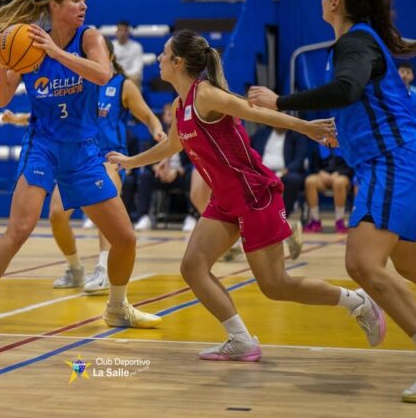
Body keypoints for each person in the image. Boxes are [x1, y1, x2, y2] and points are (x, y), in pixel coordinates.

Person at [248, 0, 416, 401]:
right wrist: (342, 132)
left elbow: (346, 89)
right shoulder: (362, 42)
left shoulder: (354, 42)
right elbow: (369, 102)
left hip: (392, 163)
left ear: (336, 3)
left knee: (362, 264)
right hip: (401, 160)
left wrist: (280, 101)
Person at [108, 30, 384, 365]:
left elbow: (256, 113)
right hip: (225, 201)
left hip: (254, 195)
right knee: (193, 267)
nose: (159, 58)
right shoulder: (181, 105)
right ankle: (240, 340)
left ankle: (358, 302)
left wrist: (307, 128)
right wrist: (130, 162)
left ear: (178, 62)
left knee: (276, 286)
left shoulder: (206, 94)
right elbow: (170, 145)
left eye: (165, 53)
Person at [0, 0, 161, 337]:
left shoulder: (89, 38)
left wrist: (56, 52)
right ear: (54, 5)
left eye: (85, 0)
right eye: (76, 0)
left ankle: (117, 308)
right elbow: (0, 99)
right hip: (43, 146)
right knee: (20, 229)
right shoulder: (28, 41)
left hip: (83, 150)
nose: (84, 6)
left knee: (125, 238)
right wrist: (4, 62)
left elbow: (103, 74)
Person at [47, 39, 165, 293]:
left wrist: (157, 130)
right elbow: (58, 116)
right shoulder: (77, 84)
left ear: (109, 57)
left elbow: (147, 116)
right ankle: (75, 269)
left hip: (110, 157)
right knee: (56, 215)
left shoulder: (123, 85)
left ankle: (102, 268)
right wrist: (21, 119)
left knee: (105, 210)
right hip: (78, 157)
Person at [302, 145, 354, 234]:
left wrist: (339, 173)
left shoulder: (346, 146)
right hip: (322, 177)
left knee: (339, 183)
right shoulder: (318, 146)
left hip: (342, 176)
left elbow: (351, 166)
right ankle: (315, 220)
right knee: (310, 181)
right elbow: (313, 165)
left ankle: (340, 221)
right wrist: (320, 172)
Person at [112, 20, 144, 87]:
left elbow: (137, 67)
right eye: (120, 30)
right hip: (114, 75)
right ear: (116, 32)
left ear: (129, 32)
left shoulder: (136, 46)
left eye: (125, 30)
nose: (122, 33)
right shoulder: (111, 46)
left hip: (130, 76)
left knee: (136, 77)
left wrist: (124, 75)